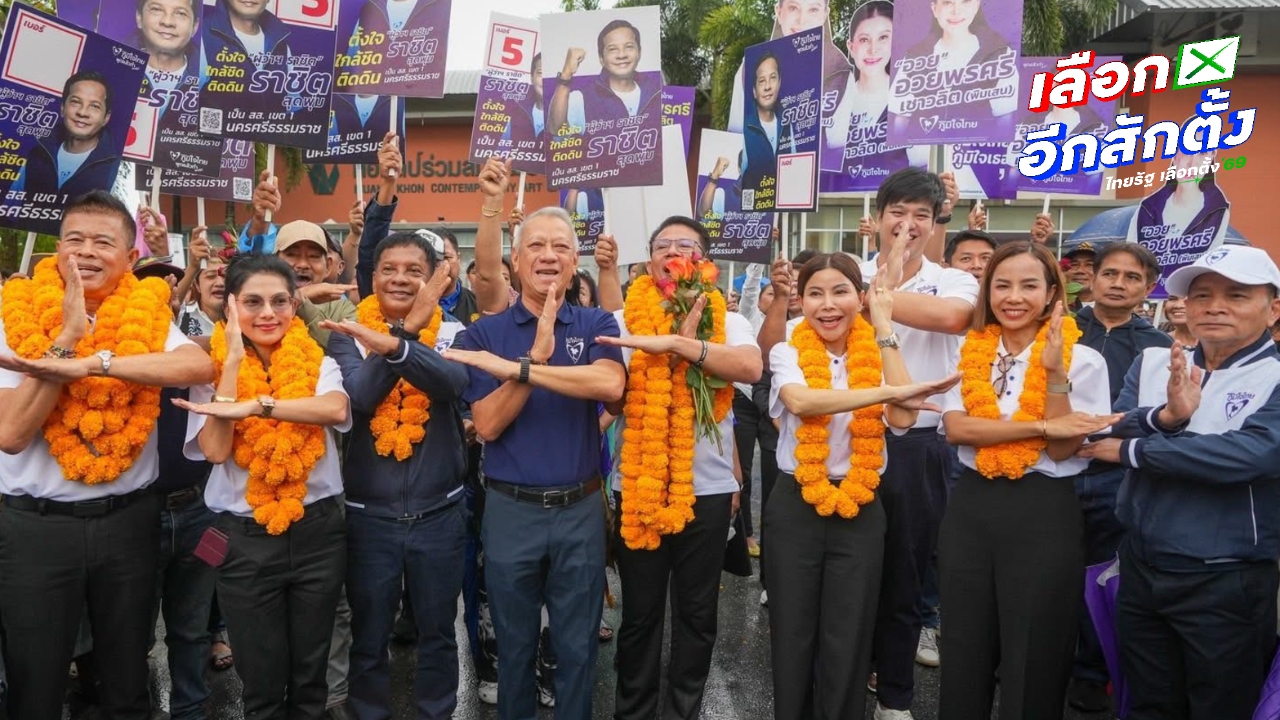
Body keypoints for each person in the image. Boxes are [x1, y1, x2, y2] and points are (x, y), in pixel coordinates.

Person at [0, 190, 213, 720]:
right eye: (74, 240)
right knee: (36, 678)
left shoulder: (143, 313)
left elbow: (196, 368)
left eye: (102, 242)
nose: (86, 252)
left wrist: (97, 364)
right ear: (55, 250)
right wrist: (67, 338)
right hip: (36, 529)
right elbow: (11, 433)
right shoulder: (14, 318)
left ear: (131, 260)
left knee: (124, 676)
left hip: (128, 521)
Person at [1079, 245, 1280, 720]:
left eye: (1236, 295)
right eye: (1202, 294)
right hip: (1142, 568)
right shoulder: (1155, 362)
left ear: (1273, 308)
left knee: (1218, 705)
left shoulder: (1273, 376)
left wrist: (1137, 451)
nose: (1214, 306)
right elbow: (1114, 425)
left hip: (1225, 577)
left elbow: (1250, 454)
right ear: (1184, 306)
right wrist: (1165, 418)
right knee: (1147, 701)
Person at [443, 206, 627, 720]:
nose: (549, 255)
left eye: (561, 247)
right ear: (517, 259)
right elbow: (490, 424)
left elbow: (611, 385)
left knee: (578, 650)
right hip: (510, 511)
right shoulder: (481, 335)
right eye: (537, 246)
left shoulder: (597, 321)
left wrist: (521, 371)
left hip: (580, 510)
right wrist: (535, 362)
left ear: (574, 262)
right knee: (515, 650)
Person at [767, 241, 960, 720]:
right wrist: (896, 391)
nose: (827, 305)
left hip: (862, 504)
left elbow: (899, 417)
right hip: (796, 505)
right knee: (793, 630)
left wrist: (887, 327)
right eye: (815, 293)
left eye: (840, 292)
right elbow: (802, 402)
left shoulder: (876, 345)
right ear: (800, 301)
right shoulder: (787, 345)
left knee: (849, 631)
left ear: (861, 297)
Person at [938, 241, 1117, 720]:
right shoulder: (968, 350)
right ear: (986, 292)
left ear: (1052, 293)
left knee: (1034, 650)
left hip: (1043, 510)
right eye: (1002, 285)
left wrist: (1055, 374)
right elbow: (959, 429)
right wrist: (1039, 427)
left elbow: (1063, 448)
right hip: (972, 507)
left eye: (1029, 285)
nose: (1013, 297)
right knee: (964, 645)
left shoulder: (1084, 360)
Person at [594, 217, 762, 720]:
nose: (673, 251)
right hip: (639, 486)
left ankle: (683, 710)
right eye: (662, 245)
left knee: (696, 614)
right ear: (649, 263)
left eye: (685, 245)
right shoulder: (629, 317)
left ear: (702, 264)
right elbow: (610, 380)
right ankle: (635, 712)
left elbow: (750, 369)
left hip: (706, 489)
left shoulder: (727, 319)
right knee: (640, 616)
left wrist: (685, 345)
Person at [178, 252, 352, 719]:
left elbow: (333, 410)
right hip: (242, 539)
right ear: (231, 307)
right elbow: (215, 450)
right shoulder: (210, 367)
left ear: (296, 306)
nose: (268, 313)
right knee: (261, 677)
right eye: (253, 302)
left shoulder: (316, 360)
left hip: (317, 533)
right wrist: (232, 368)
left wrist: (258, 407)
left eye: (279, 301)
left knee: (311, 675)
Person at [324, 232, 470, 720]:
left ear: (431, 279)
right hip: (370, 518)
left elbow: (451, 383)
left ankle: (436, 713)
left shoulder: (454, 333)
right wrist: (405, 333)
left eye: (414, 270)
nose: (401, 278)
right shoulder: (347, 337)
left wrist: (404, 339)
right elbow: (361, 397)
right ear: (372, 276)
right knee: (369, 636)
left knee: (437, 634)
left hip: (440, 514)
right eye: (390, 268)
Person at [1065, 242, 1171, 712]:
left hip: (1113, 475)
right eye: (1111, 273)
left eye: (1132, 277)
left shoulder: (1161, 348)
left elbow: (1158, 413)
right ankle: (1037, 659)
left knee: (1100, 576)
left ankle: (1091, 673)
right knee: (1049, 573)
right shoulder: (1062, 328)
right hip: (1056, 470)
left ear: (1149, 288)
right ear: (1093, 277)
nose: (1119, 283)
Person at [820, 1, 929, 183]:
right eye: (864, 39)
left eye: (883, 38)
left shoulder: (910, 99)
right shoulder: (833, 101)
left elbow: (921, 168)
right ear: (851, 46)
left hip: (894, 204)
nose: (873, 49)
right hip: (842, 208)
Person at [895, 0, 1018, 128]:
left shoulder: (998, 53)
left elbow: (1006, 117)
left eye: (965, 2)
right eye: (948, 2)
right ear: (934, 9)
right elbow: (901, 119)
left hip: (976, 147)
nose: (956, 11)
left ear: (976, 6)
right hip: (922, 146)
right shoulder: (914, 56)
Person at [548, 20, 662, 136]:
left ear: (639, 52)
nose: (621, 55)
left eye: (629, 47)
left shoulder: (658, 93)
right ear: (601, 58)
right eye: (612, 49)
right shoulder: (581, 98)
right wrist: (566, 73)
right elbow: (556, 131)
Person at [21, 71, 120, 200]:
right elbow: (11, 211)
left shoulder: (114, 167)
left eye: (94, 106)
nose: (83, 112)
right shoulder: (37, 154)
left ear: (106, 118)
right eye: (75, 102)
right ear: (62, 108)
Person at [741, 51, 797, 206]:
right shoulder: (743, 129)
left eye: (773, 78)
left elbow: (795, 173)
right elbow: (737, 183)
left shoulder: (787, 124)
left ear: (779, 82)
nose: (767, 87)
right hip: (754, 216)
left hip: (781, 213)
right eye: (761, 81)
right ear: (754, 91)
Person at [1064, 242, 1097, 308]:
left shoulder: (1110, 308)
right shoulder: (1052, 305)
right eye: (1074, 264)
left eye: (1089, 265)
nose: (1080, 270)